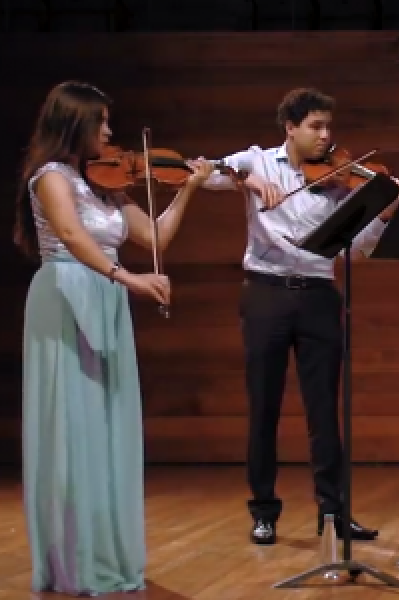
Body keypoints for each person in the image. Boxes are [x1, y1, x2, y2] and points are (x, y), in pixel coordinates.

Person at [15, 80, 212, 595]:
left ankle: (105, 555)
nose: (109, 131)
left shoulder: (108, 186)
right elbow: (74, 238)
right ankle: (71, 563)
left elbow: (158, 237)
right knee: (71, 427)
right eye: (100, 122)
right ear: (73, 124)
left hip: (106, 297)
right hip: (65, 294)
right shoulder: (49, 177)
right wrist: (128, 278)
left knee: (106, 428)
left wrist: (190, 185)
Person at [200, 87, 399, 545]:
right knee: (264, 406)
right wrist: (242, 179)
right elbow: (204, 171)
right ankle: (264, 511)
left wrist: (386, 213)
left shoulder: (341, 178)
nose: (325, 136)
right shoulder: (256, 161)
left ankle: (335, 511)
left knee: (324, 410)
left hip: (318, 295)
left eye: (329, 127)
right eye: (315, 126)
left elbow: (360, 247)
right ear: (290, 127)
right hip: (266, 294)